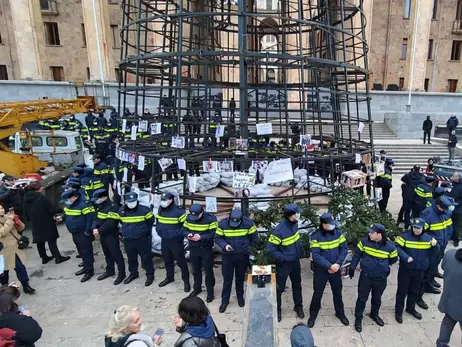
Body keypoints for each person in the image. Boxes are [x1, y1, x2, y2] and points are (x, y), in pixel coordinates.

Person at [349, 223, 398, 332]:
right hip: (366, 276)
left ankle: (374, 315)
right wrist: (352, 267)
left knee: (377, 299)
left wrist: (382, 266)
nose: (369, 234)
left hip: (380, 278)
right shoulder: (364, 242)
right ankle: (358, 318)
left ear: (379, 234)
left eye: (372, 233)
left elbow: (393, 259)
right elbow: (357, 255)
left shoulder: (390, 247)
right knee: (362, 299)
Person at [394, 218, 439, 323]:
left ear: (423, 228)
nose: (416, 230)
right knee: (402, 291)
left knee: (414, 291)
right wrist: (406, 257)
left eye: (418, 228)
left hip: (420, 270)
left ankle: (410, 308)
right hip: (406, 269)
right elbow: (397, 247)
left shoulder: (428, 238)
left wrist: (435, 245)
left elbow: (435, 252)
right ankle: (398, 311)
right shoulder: (404, 237)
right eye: (414, 227)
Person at [308, 212, 349, 327]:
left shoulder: (338, 233)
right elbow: (315, 256)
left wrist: (337, 264)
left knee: (338, 293)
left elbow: (344, 250)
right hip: (322, 270)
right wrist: (329, 266)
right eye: (330, 224)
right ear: (323, 224)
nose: (332, 226)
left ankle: (340, 313)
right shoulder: (315, 236)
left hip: (335, 269)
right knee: (317, 294)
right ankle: (313, 315)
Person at [266, 204, 304, 322]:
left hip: (295, 262)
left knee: (297, 285)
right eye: (296, 214)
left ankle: (298, 306)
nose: (299, 215)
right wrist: (283, 258)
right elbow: (270, 249)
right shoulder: (279, 231)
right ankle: (277, 309)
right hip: (284, 265)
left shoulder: (294, 225)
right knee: (279, 288)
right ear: (290, 216)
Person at [216, 209, 258, 313]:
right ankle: (224, 301)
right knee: (227, 280)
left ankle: (240, 298)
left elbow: (255, 239)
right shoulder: (223, 224)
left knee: (240, 278)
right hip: (227, 256)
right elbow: (218, 238)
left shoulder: (248, 224)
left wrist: (248, 251)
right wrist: (224, 246)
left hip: (242, 256)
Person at [22, 180, 70, 265]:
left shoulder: (25, 198)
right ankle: (57, 257)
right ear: (38, 189)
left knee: (40, 241)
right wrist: (61, 210)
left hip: (34, 223)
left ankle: (44, 258)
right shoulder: (41, 198)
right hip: (46, 221)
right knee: (51, 240)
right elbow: (52, 209)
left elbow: (25, 212)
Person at [418, 196, 453, 300]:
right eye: (443, 209)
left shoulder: (444, 213)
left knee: (433, 268)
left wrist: (445, 241)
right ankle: (419, 294)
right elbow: (420, 234)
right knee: (426, 271)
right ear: (438, 206)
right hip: (431, 248)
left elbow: (448, 227)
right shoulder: (427, 215)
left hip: (441, 246)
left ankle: (429, 284)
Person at [117, 192, 155, 286]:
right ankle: (133, 273)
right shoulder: (121, 211)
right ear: (125, 202)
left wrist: (142, 230)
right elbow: (121, 222)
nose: (131, 203)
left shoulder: (144, 210)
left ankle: (150, 275)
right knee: (131, 258)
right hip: (128, 239)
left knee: (146, 258)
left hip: (141, 239)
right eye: (129, 201)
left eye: (133, 201)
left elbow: (151, 221)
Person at [181, 204, 217, 302]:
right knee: (196, 270)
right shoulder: (189, 218)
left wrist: (201, 237)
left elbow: (214, 233)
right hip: (193, 248)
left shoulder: (211, 219)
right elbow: (184, 229)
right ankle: (197, 288)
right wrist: (188, 234)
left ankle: (210, 291)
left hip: (205, 248)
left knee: (208, 271)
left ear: (202, 212)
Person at [155, 193, 190, 292]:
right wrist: (159, 231)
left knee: (181, 262)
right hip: (164, 240)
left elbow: (185, 227)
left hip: (176, 241)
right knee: (167, 260)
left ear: (171, 200)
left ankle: (186, 281)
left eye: (165, 200)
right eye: (162, 199)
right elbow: (157, 221)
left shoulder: (179, 212)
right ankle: (169, 277)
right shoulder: (161, 210)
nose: (163, 202)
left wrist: (175, 234)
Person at [58, 190, 96, 282]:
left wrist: (87, 232)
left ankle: (89, 270)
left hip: (83, 233)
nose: (66, 202)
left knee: (86, 252)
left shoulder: (84, 204)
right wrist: (62, 217)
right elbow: (66, 213)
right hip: (74, 232)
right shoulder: (70, 204)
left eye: (67, 200)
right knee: (81, 251)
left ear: (73, 197)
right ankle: (85, 267)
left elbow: (90, 219)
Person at [92, 189, 126, 285]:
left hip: (111, 235)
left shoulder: (112, 207)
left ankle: (121, 274)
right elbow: (96, 218)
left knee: (116, 255)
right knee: (107, 254)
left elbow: (110, 223)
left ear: (104, 197)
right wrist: (94, 227)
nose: (96, 200)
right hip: (103, 235)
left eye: (97, 198)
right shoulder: (100, 206)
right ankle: (110, 270)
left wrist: (99, 230)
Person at [0, 206, 35, 294]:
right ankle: (5, 288)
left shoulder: (7, 217)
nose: (2, 210)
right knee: (4, 271)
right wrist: (10, 221)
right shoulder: (8, 219)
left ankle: (26, 285)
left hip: (15, 248)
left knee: (20, 267)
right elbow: (2, 232)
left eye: (2, 208)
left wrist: (17, 221)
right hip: (3, 250)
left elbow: (21, 228)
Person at [435, 248, 462, 347]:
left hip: (449, 300)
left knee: (447, 323)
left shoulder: (450, 254)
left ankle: (441, 344)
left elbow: (443, 267)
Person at [450, 171, 462, 247]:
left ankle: (456, 240)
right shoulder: (452, 184)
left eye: (453, 176)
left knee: (456, 225)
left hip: (457, 209)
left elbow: (461, 199)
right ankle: (451, 236)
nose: (452, 177)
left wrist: (454, 205)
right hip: (449, 207)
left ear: (457, 177)